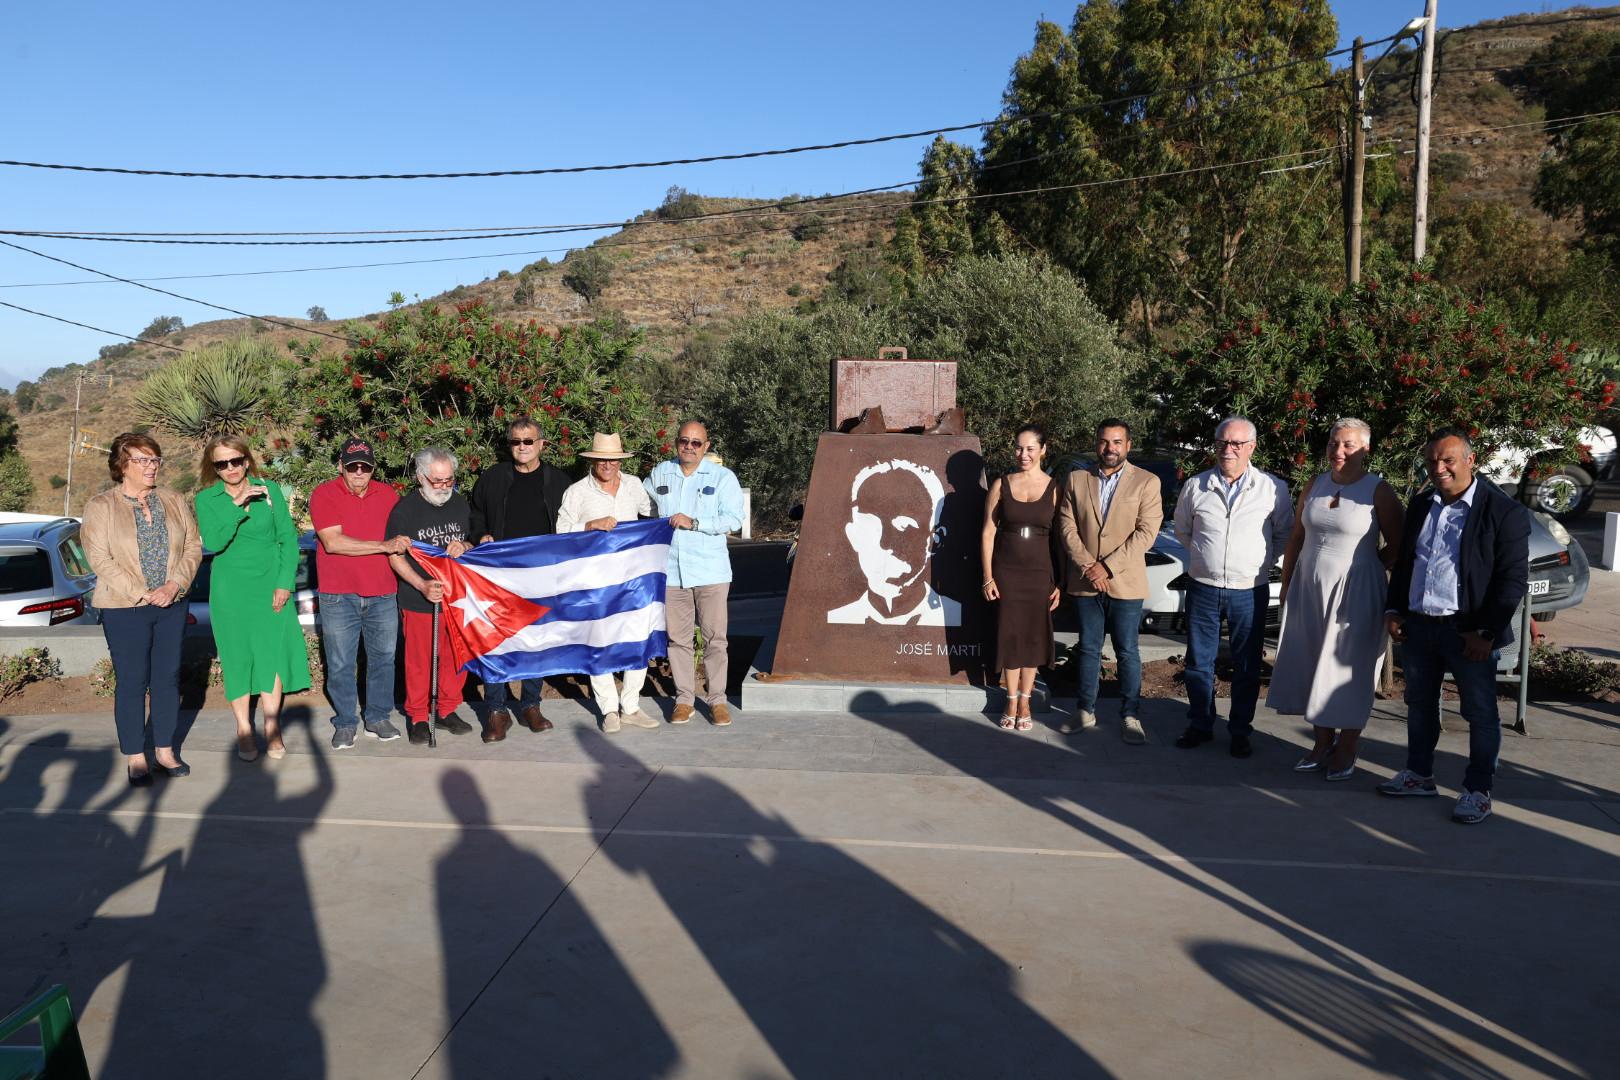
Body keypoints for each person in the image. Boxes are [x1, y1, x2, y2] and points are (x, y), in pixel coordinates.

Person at [1379, 428, 1530, 824]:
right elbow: (1406, 562)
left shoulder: (1503, 511)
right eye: (1432, 461)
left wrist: (1487, 632)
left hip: (1469, 632)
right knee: (1419, 705)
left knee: (1480, 712)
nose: (1439, 468)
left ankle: (1478, 791)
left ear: (1470, 460)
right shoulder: (1421, 505)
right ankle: (1418, 774)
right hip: (1419, 626)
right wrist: (1394, 609)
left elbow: (1512, 580)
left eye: (1448, 460)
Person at [1267, 420, 1404, 780]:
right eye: (1333, 443)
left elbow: (1400, 543)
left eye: (1348, 445)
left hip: (1356, 591)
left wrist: (1370, 567)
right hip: (1308, 586)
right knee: (1311, 660)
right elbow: (1297, 537)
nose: (1338, 451)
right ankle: (1322, 742)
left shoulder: (1378, 490)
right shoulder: (1315, 484)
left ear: (1365, 449)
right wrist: (1287, 582)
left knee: (1349, 668)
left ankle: (1347, 746)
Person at [81, 433, 203, 786]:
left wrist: (174, 585)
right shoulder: (101, 506)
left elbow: (193, 546)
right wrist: (142, 592)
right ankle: (136, 755)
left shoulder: (173, 499)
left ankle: (164, 750)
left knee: (167, 678)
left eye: (155, 460)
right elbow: (99, 558)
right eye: (143, 460)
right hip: (125, 607)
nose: (152, 467)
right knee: (132, 681)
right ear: (123, 465)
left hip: (171, 604)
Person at [1172, 416, 1293, 758]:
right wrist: (1203, 557)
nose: (1228, 449)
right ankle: (1200, 724)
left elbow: (1284, 533)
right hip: (1203, 587)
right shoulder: (1196, 485)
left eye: (1237, 443)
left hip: (1249, 590)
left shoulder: (1272, 488)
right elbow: (1182, 529)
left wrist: (1260, 562)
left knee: (1247, 665)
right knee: (1198, 662)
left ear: (1251, 447)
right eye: (1222, 442)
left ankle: (1240, 731)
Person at [193, 435, 313, 763]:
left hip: (270, 584)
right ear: (214, 468)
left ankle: (272, 725)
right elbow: (214, 542)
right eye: (222, 464)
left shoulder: (269, 491)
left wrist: (284, 584)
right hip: (230, 591)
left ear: (246, 460)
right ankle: (244, 728)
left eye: (236, 460)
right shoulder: (207, 499)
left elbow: (287, 540)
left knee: (271, 653)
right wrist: (238, 504)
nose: (230, 468)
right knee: (237, 657)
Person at [1055, 418, 1163, 744]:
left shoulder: (1147, 482)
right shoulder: (1077, 479)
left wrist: (1108, 567)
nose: (1110, 448)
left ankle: (1130, 715)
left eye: (1117, 442)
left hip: (1125, 582)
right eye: (1104, 441)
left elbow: (1146, 533)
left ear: (1128, 445)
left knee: (1127, 651)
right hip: (1086, 580)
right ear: (1096, 443)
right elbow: (1066, 526)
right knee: (1088, 648)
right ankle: (1085, 710)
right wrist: (1089, 565)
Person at [468, 415, 571, 739]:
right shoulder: (493, 478)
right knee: (495, 640)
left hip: (542, 576)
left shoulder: (559, 481)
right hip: (499, 575)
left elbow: (573, 524)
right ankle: (497, 710)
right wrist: (481, 534)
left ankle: (530, 705)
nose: (522, 447)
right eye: (516, 441)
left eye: (528, 441)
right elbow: (475, 514)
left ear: (542, 444)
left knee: (536, 642)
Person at [309, 437, 413, 750]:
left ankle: (378, 717)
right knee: (341, 662)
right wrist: (384, 545)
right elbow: (333, 543)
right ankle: (345, 722)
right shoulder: (324, 494)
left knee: (383, 660)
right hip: (338, 596)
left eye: (364, 467)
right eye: (352, 466)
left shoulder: (389, 495)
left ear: (373, 468)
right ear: (340, 466)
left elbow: (404, 537)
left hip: (383, 593)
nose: (358, 472)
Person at [643, 421, 745, 727]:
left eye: (696, 443)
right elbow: (643, 507)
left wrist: (696, 522)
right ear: (677, 442)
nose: (689, 447)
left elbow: (734, 519)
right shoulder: (660, 473)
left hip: (710, 571)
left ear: (706, 446)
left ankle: (717, 701)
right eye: (684, 441)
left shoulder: (722, 477)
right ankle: (684, 700)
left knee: (715, 639)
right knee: (678, 640)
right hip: (671, 572)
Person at [557, 432, 658, 733]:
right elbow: (561, 530)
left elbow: (652, 515)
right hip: (595, 579)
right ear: (593, 461)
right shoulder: (577, 492)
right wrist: (590, 525)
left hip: (632, 577)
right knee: (599, 641)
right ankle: (609, 709)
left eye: (613, 460)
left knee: (637, 638)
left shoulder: (635, 485)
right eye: (602, 459)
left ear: (620, 461)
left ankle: (631, 706)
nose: (607, 464)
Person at [386, 447, 477, 746]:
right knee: (419, 662)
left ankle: (447, 709)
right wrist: (422, 585)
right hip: (420, 599)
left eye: (449, 479)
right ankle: (418, 717)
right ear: (420, 477)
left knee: (454, 657)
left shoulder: (460, 503)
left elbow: (473, 541)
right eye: (437, 481)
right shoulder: (404, 510)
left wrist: (465, 545)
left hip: (456, 597)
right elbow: (395, 557)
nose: (444, 486)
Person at [980, 425, 1061, 731]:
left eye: (1030, 448)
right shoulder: (1001, 484)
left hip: (1040, 573)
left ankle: (1026, 700)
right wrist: (988, 577)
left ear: (1043, 450)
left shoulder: (1055, 488)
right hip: (1007, 571)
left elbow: (1060, 539)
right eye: (1018, 448)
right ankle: (1011, 699)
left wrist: (1059, 583)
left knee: (1033, 637)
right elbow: (988, 533)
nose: (1023, 454)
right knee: (1011, 635)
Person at [827, 459, 962, 626]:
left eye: (903, 525)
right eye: (871, 524)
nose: (884, 543)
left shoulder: (952, 614)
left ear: (935, 539)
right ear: (853, 535)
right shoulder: (839, 618)